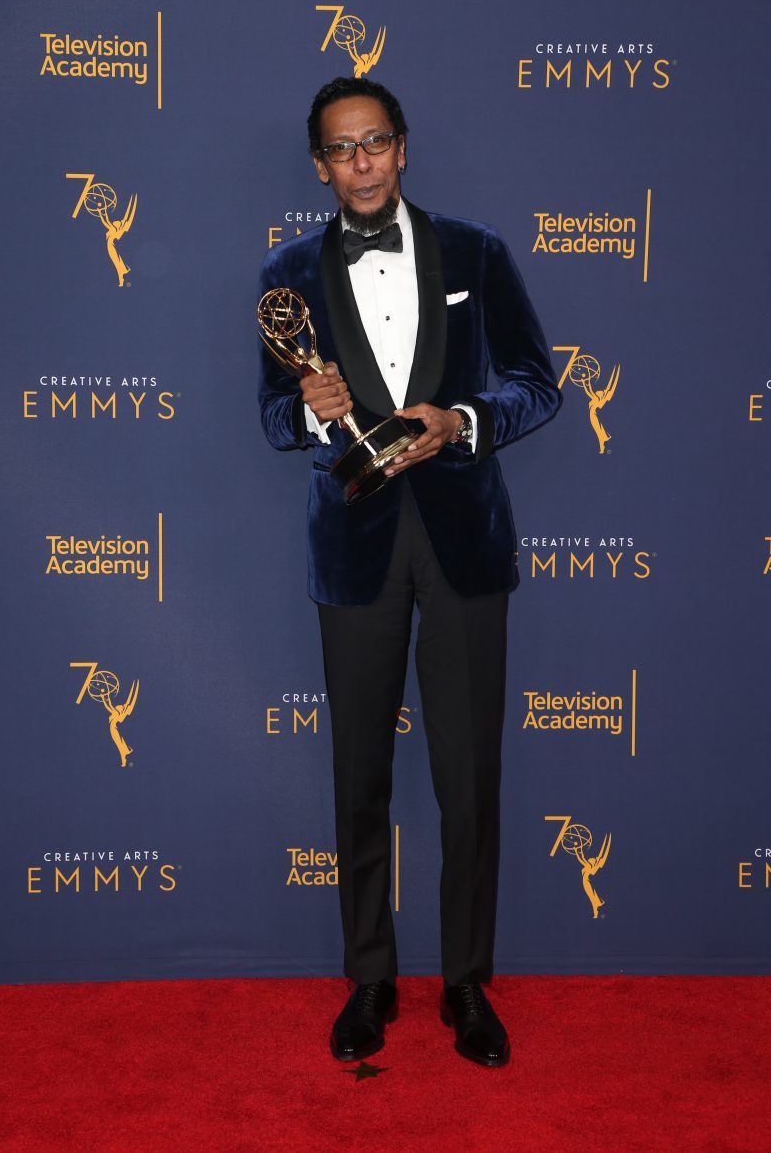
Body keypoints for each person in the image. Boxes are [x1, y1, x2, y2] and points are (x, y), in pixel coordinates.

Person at [258, 77, 561, 1068]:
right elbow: (269, 419)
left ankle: (466, 983)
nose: (360, 162)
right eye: (340, 149)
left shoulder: (475, 251)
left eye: (375, 142)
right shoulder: (287, 275)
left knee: (469, 775)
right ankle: (369, 977)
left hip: (463, 535)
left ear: (401, 148)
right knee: (359, 773)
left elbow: (534, 382)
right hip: (353, 544)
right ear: (318, 163)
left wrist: (462, 421)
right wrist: (309, 403)